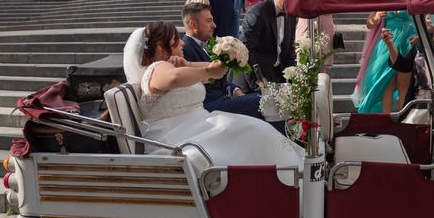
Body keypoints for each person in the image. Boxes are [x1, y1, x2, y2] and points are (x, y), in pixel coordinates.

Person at [122, 21, 303, 176]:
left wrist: (190, 65)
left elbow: (205, 73)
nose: (182, 45)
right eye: (176, 42)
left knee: (256, 131)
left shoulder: (170, 67)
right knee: (253, 133)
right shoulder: (157, 68)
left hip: (197, 126)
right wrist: (208, 71)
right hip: (177, 134)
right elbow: (175, 78)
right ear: (161, 48)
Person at [181, 0, 262, 118]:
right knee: (262, 102)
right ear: (193, 24)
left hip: (224, 99)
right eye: (208, 21)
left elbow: (219, 83)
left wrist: (234, 89)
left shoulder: (205, 46)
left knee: (265, 99)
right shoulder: (185, 50)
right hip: (211, 107)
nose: (214, 25)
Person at [351, 0, 417, 113]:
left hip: (407, 43)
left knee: (403, 84)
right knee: (386, 82)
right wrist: (376, 16)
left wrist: (418, 36)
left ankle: (403, 118)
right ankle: (384, 118)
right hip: (386, 43)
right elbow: (369, 24)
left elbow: (422, 21)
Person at [241, 0, 304, 87]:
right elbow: (246, 49)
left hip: (277, 76)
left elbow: (289, 49)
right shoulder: (258, 13)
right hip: (255, 79)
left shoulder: (291, 15)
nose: (292, 3)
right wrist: (257, 81)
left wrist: (292, 79)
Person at [295, 0, 336, 66]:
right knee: (304, 63)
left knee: (322, 66)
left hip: (324, 27)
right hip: (305, 28)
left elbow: (334, 4)